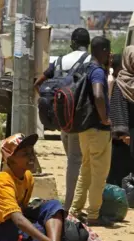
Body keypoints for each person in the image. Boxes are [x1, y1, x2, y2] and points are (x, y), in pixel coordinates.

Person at [34, 28, 91, 211]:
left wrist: (53, 106)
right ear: (88, 43)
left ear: (72, 43)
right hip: (80, 118)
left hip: (62, 117)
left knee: (73, 158)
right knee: (76, 159)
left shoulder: (59, 61)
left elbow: (38, 84)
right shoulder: (91, 61)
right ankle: (69, 205)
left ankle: (73, 200)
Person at [70, 36, 113, 227]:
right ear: (103, 51)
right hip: (98, 129)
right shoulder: (97, 72)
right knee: (99, 174)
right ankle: (94, 214)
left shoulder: (84, 68)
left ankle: (75, 210)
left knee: (85, 170)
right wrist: (105, 118)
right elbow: (98, 94)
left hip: (85, 129)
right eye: (108, 51)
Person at [107, 46, 134, 186]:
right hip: (126, 131)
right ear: (128, 62)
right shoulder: (121, 82)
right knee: (123, 162)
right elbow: (118, 107)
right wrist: (123, 132)